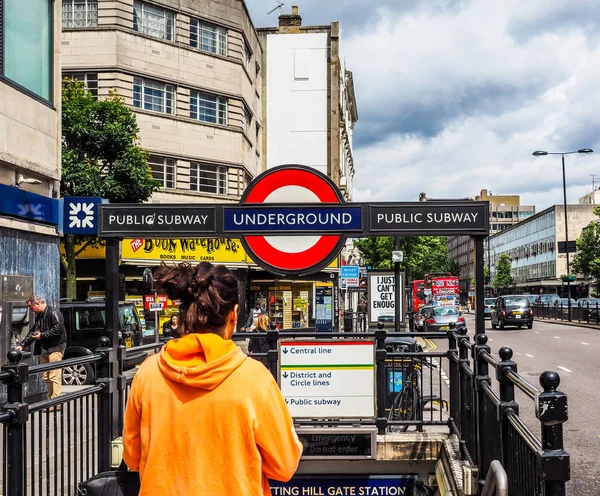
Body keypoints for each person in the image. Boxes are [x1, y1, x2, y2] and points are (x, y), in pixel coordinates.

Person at [123, 262, 303, 495]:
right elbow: (284, 466)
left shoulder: (148, 374)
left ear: (184, 314)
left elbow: (133, 457)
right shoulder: (254, 379)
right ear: (234, 315)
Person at [15, 296, 67, 400]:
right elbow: (33, 332)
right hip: (45, 349)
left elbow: (57, 330)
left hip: (55, 348)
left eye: (31, 307)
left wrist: (42, 335)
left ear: (37, 304)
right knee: (46, 376)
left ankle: (55, 401)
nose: (31, 310)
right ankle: (50, 399)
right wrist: (22, 345)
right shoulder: (39, 316)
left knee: (54, 376)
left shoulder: (53, 312)